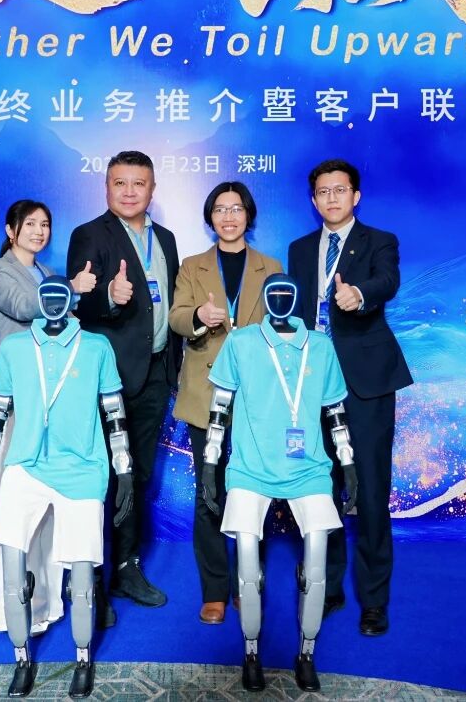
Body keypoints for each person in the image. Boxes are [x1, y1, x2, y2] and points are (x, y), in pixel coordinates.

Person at [0, 275, 134, 698]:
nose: (52, 304)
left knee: (81, 575)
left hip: (82, 469)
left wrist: (124, 469)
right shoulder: (15, 348)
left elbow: (114, 412)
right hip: (25, 466)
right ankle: (21, 657)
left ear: (70, 301)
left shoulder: (96, 347)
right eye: (45, 297)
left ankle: (82, 658)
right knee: (12, 564)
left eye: (60, 297)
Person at [201, 273, 357, 692]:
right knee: (247, 564)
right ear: (266, 299)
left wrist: (348, 464)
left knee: (317, 560)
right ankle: (251, 651)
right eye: (275, 294)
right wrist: (210, 465)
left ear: (298, 298)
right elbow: (219, 409)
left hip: (309, 468)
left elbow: (336, 413)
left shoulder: (320, 347)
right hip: (250, 467)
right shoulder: (241, 342)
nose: (282, 299)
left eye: (289, 293)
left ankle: (306, 652)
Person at [286, 158, 413, 637]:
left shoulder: (380, 241)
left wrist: (358, 294)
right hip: (312, 383)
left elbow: (387, 282)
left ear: (355, 196)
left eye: (340, 190)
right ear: (313, 200)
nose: (332, 198)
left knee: (372, 491)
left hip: (366, 383)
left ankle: (374, 601)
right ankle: (329, 586)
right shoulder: (300, 250)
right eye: (323, 192)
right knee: (322, 489)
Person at [66, 151, 181, 616]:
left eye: (139, 183)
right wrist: (109, 297)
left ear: (152, 189)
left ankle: (127, 569)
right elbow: (79, 301)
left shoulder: (166, 239)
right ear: (106, 187)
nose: (129, 191)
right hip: (108, 378)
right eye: (120, 183)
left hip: (155, 373)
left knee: (139, 475)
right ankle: (91, 578)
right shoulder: (90, 234)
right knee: (102, 476)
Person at [0, 200, 96, 635]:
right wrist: (74, 289)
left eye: (45, 224)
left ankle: (44, 605)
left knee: (49, 502)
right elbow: (29, 306)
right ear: (11, 230)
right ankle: (6, 609)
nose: (39, 231)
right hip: (12, 398)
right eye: (30, 224)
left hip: (52, 400)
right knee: (11, 504)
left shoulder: (49, 273)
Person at [168, 181, 281, 625]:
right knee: (209, 492)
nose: (228, 217)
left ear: (248, 215)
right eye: (220, 209)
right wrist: (199, 316)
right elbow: (176, 318)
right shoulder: (191, 266)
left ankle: (246, 583)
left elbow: (282, 326)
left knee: (253, 491)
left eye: (236, 209)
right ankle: (215, 590)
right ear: (210, 217)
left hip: (256, 398)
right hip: (206, 393)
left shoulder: (271, 267)